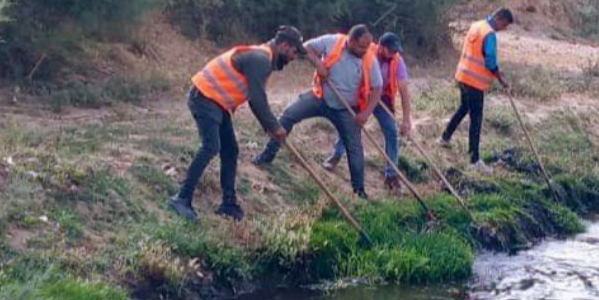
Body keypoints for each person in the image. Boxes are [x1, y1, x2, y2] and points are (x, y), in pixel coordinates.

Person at [167, 26, 306, 222]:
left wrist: (270, 126)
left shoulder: (263, 58)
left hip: (216, 102)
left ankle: (228, 205)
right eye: (294, 51)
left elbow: (255, 99)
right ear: (284, 45)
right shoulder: (261, 59)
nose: (293, 57)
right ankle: (181, 198)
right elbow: (257, 100)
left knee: (230, 150)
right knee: (210, 146)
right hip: (205, 97)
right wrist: (275, 127)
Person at [253, 25, 382, 198]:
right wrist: (318, 64)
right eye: (361, 47)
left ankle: (359, 190)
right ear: (350, 41)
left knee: (354, 148)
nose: (365, 50)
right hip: (320, 97)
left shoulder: (369, 59)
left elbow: (377, 89)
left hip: (346, 109)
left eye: (367, 47)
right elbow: (306, 47)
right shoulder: (332, 42)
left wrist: (365, 114)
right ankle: (267, 156)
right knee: (288, 115)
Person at [324, 32, 414, 192]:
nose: (393, 53)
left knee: (391, 131)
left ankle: (391, 175)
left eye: (396, 51)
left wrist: (406, 119)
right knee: (351, 126)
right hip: (363, 95)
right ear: (382, 47)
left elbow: (404, 90)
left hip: (383, 98)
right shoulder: (365, 52)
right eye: (391, 50)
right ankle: (336, 155)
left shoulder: (397, 61)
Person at [440, 8, 514, 172]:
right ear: (498, 18)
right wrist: (501, 79)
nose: (503, 29)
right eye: (504, 25)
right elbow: (490, 61)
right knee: (476, 120)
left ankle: (445, 138)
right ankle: (474, 160)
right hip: (474, 82)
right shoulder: (489, 34)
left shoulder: (477, 26)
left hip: (463, 75)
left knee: (464, 108)